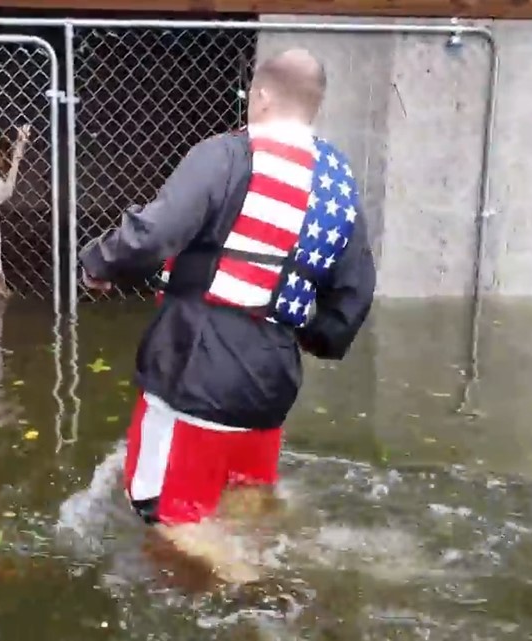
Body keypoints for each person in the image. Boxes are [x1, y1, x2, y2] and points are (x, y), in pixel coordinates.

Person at [78, 48, 377, 582]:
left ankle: (259, 589)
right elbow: (353, 293)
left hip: (197, 369)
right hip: (273, 381)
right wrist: (315, 338)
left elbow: (155, 233)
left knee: (162, 510)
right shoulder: (336, 182)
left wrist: (98, 264)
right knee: (245, 505)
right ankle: (265, 567)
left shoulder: (227, 155)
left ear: (260, 95)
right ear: (314, 106)